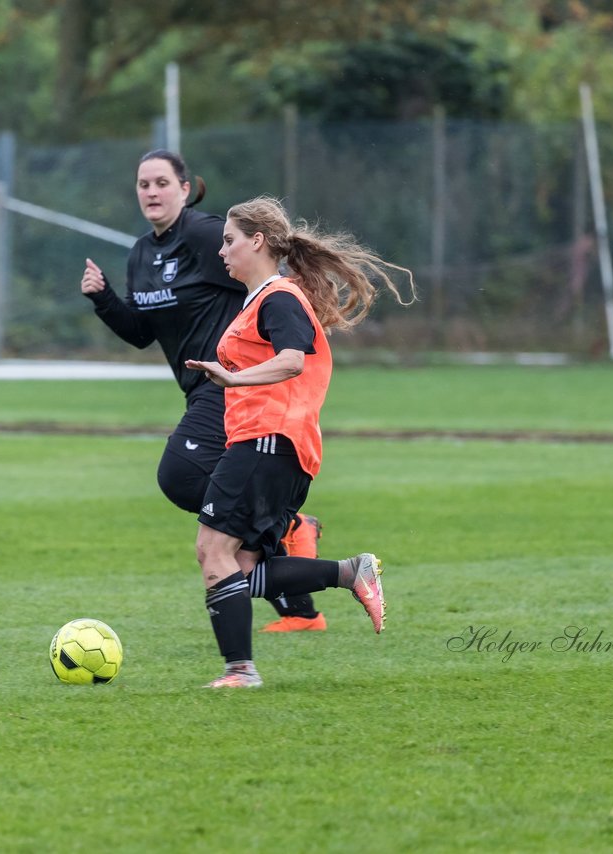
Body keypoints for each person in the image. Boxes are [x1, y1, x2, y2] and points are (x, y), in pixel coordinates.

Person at [80, 151, 328, 631]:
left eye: (161, 183)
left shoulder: (203, 235)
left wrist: (281, 331)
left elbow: (258, 273)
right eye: (142, 184)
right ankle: (300, 605)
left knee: (178, 476)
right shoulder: (141, 254)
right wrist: (103, 298)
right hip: (200, 388)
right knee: (229, 526)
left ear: (185, 188)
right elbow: (140, 332)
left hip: (230, 385)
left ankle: (285, 528)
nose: (150, 192)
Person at [185, 195, 417, 688]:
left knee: (213, 551)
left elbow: (292, 360)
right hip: (273, 446)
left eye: (229, 241)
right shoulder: (262, 299)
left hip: (269, 442)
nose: (222, 251)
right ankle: (349, 573)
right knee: (241, 570)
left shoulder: (280, 297)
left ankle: (240, 672)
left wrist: (230, 379)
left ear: (258, 241)